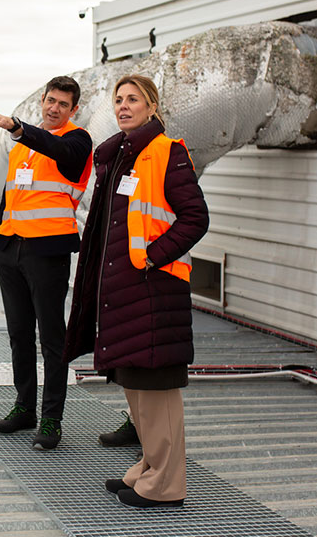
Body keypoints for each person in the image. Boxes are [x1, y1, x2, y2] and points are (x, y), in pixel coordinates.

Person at [62, 74, 209, 507]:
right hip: (125, 292)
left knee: (158, 393)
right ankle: (148, 470)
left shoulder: (167, 152)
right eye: (119, 99)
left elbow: (195, 218)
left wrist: (152, 256)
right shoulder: (121, 157)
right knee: (137, 390)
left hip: (152, 291)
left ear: (151, 106)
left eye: (133, 100)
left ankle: (166, 485)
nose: (124, 106)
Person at [0, 75, 93, 451]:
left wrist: (15, 125)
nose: (54, 108)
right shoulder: (22, 148)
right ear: (42, 100)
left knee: (52, 339)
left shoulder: (77, 141)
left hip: (47, 254)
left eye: (63, 104)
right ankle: (24, 407)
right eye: (50, 101)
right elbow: (14, 195)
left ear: (74, 109)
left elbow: (55, 150)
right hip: (11, 250)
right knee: (18, 334)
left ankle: (51, 418)